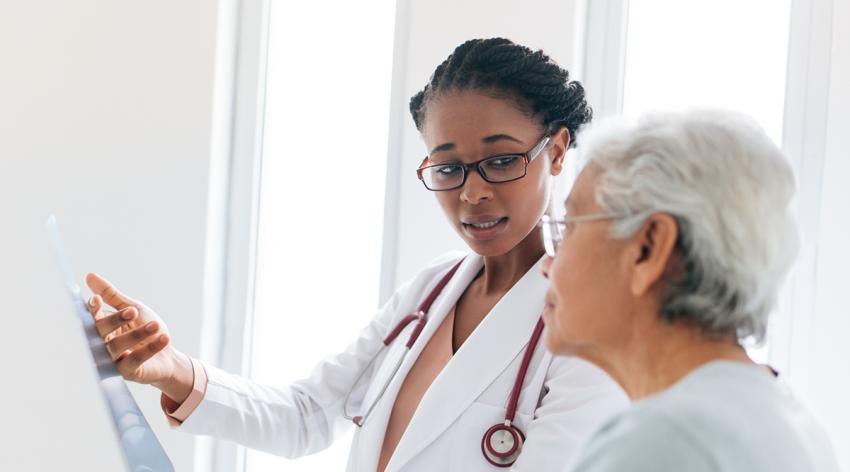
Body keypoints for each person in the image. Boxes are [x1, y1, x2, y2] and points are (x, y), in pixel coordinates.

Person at [86, 38, 627, 472]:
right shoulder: (431, 291)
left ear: (555, 152)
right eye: (447, 168)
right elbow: (306, 416)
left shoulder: (594, 326)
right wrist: (172, 369)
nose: (472, 192)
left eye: (501, 160)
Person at [540, 109, 840, 471]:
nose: (547, 264)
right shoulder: (790, 421)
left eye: (569, 227)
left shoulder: (659, 443)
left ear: (649, 249)